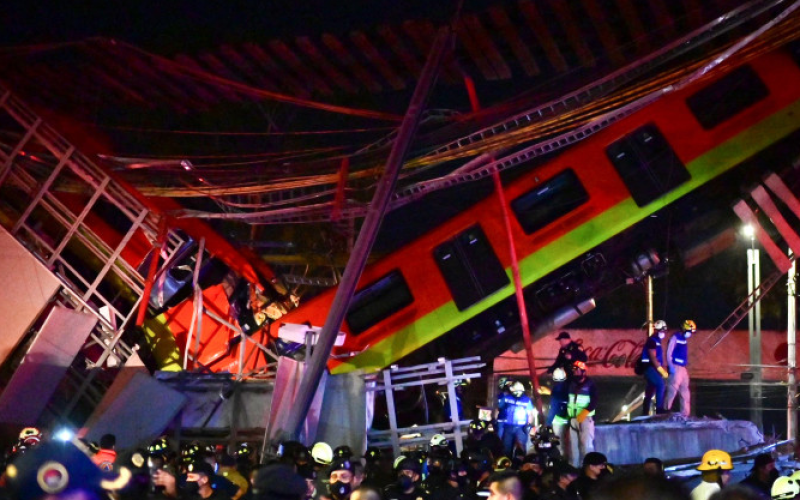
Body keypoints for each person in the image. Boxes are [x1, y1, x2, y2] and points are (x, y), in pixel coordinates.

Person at [552, 361, 597, 467]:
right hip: (573, 419)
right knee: (573, 448)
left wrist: (585, 412)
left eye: (577, 370)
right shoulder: (571, 384)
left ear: (583, 372)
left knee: (586, 446)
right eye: (573, 370)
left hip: (585, 419)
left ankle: (589, 467)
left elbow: (594, 401)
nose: (575, 372)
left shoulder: (590, 385)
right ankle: (574, 468)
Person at [546, 333, 588, 426]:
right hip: (564, 378)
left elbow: (584, 358)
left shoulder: (577, 347)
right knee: (557, 396)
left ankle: (567, 418)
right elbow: (558, 361)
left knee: (569, 397)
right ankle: (550, 422)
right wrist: (550, 369)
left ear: (566, 339)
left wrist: (572, 357)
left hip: (574, 378)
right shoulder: (563, 350)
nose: (560, 342)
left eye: (561, 340)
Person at [663, 320, 696, 416]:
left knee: (685, 392)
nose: (690, 334)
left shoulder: (683, 339)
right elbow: (669, 352)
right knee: (672, 390)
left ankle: (685, 413)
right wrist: (671, 366)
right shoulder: (675, 337)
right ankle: (665, 411)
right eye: (690, 331)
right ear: (685, 329)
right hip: (675, 367)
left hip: (683, 368)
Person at [497, 381, 535, 458]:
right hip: (509, 426)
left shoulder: (526, 400)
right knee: (507, 448)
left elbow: (530, 415)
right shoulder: (506, 398)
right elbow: (499, 409)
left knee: (521, 448)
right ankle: (508, 462)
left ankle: (520, 462)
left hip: (521, 427)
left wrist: (528, 425)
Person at [641, 320, 669, 415]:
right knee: (660, 385)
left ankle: (645, 411)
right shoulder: (652, 340)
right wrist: (661, 370)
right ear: (657, 330)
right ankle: (659, 409)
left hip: (652, 368)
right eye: (662, 330)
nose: (664, 333)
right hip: (649, 367)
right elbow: (652, 357)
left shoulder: (657, 341)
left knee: (651, 388)